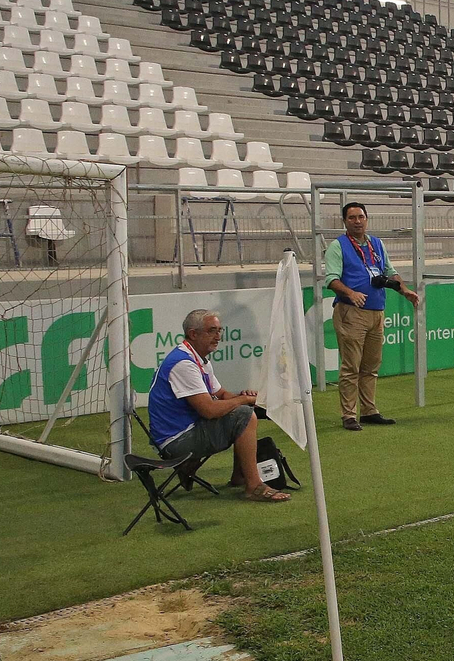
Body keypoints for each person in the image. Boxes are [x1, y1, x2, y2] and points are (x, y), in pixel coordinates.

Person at [147, 309, 290, 503]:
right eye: (212, 331)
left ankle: (239, 476)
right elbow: (209, 410)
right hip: (176, 441)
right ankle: (254, 486)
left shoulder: (197, 357)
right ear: (193, 333)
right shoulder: (183, 364)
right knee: (244, 416)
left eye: (220, 330)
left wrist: (242, 396)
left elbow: (221, 394)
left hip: (182, 432)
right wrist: (243, 401)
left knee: (244, 412)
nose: (218, 336)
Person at [325, 201, 419, 430]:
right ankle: (348, 415)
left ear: (367, 219)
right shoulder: (338, 246)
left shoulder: (376, 244)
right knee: (351, 366)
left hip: (377, 311)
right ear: (345, 221)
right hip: (351, 312)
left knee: (371, 366)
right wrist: (350, 293)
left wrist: (404, 290)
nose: (357, 221)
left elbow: (389, 271)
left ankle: (369, 410)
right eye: (352, 218)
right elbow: (331, 279)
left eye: (360, 217)